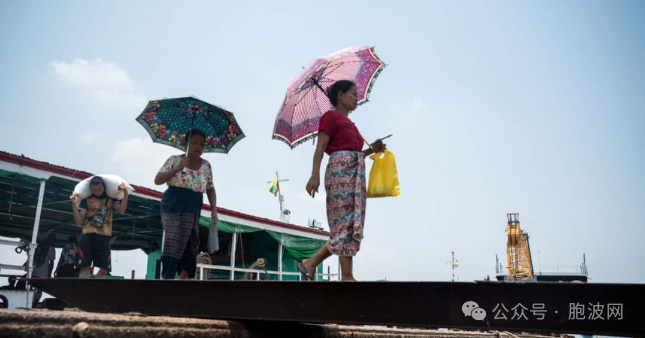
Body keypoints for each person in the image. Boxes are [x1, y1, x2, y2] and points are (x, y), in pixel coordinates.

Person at [299, 80, 386, 282]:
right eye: (353, 94)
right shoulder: (330, 117)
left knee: (350, 224)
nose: (356, 98)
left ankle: (311, 264)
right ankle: (345, 275)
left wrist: (372, 149)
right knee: (343, 223)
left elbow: (354, 152)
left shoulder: (352, 125)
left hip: (354, 174)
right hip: (340, 173)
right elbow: (320, 148)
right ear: (340, 95)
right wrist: (314, 175)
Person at [154, 128, 218, 280]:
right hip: (173, 202)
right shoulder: (174, 160)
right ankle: (167, 277)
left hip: (194, 204)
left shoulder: (206, 166)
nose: (198, 147)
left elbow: (210, 188)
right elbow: (157, 180)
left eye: (202, 144)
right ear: (186, 143)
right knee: (173, 236)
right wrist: (178, 168)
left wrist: (214, 210)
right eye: (194, 142)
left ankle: (184, 276)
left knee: (191, 240)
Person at [70, 176, 129, 278]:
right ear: (91, 189)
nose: (97, 192)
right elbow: (79, 221)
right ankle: (84, 290)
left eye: (100, 189)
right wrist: (73, 205)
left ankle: (96, 290)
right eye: (94, 190)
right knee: (85, 267)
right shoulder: (86, 200)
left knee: (104, 269)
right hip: (87, 235)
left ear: (104, 188)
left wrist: (125, 193)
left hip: (104, 236)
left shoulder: (111, 199)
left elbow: (121, 210)